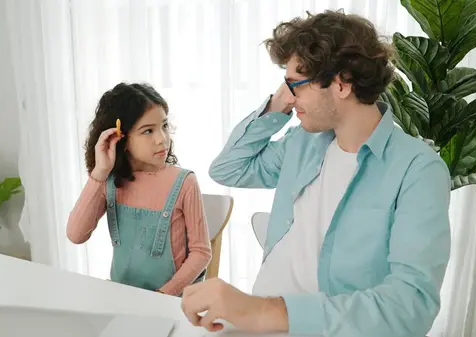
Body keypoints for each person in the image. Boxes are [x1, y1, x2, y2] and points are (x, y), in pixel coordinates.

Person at [180, 9, 451, 337]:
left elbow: (410, 307)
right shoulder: (304, 142)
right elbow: (228, 168)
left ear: (342, 83)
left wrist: (262, 311)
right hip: (253, 325)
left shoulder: (417, 170)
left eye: (297, 85)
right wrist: (281, 100)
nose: (292, 97)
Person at [66, 83, 212, 296]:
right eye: (148, 131)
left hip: (172, 300)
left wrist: (163, 295)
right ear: (120, 138)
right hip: (123, 297)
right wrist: (99, 173)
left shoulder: (184, 182)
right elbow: (75, 235)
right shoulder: (108, 181)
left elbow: (201, 253)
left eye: (164, 126)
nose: (161, 138)